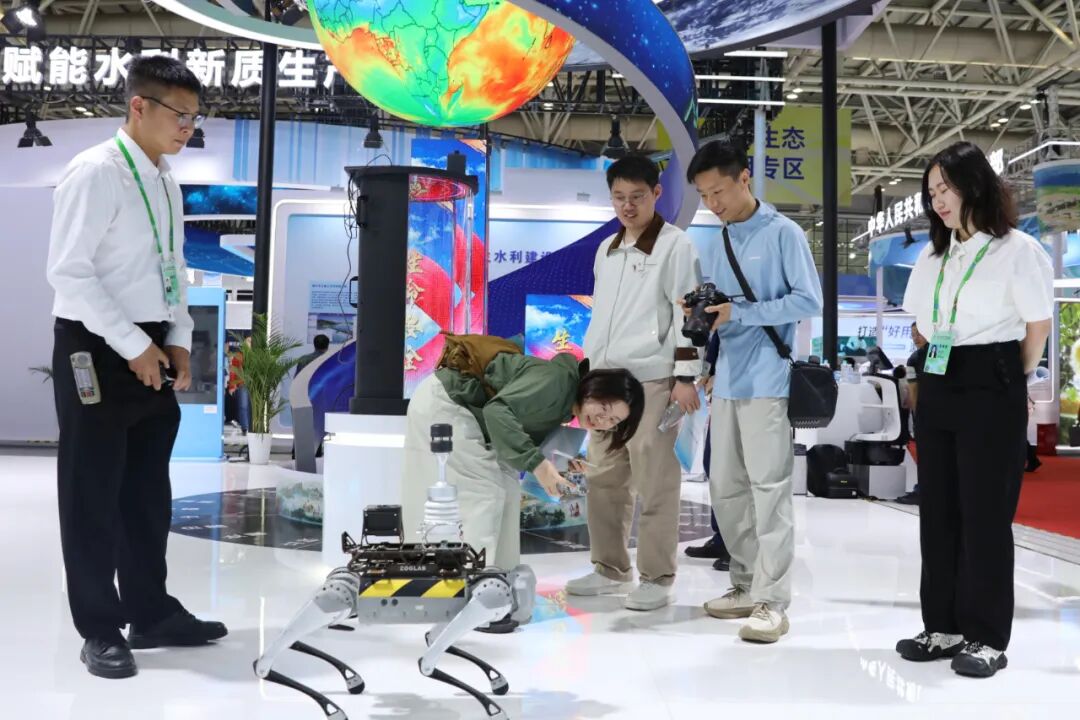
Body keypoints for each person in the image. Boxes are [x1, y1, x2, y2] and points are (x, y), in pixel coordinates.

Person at [45, 56, 227, 680]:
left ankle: (151, 612)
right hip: (94, 346)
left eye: (195, 118)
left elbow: (172, 269)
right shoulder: (95, 172)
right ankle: (99, 627)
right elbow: (69, 274)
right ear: (139, 107)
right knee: (91, 492)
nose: (188, 128)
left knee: (147, 492)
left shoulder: (166, 179)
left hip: (148, 343)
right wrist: (132, 345)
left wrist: (177, 338)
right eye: (180, 115)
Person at [897, 141, 1053, 678]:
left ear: (976, 185)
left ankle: (986, 636)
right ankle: (941, 626)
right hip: (939, 376)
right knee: (938, 510)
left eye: (947, 188)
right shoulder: (932, 255)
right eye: (931, 192)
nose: (938, 200)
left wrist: (1010, 379)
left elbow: (1037, 327)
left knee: (985, 515)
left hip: (992, 377)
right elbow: (920, 322)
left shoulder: (1017, 249)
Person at [686, 140, 823, 644]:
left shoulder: (783, 233)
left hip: (769, 379)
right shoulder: (717, 241)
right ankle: (744, 583)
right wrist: (706, 333)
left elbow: (808, 299)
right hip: (727, 381)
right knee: (724, 487)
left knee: (770, 490)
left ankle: (773, 600)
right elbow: (721, 315)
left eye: (718, 191)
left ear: (744, 178)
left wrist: (740, 312)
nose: (713, 203)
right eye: (704, 196)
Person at [564, 154, 703, 612]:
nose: (627, 206)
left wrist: (686, 376)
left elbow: (689, 317)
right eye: (619, 197)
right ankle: (610, 568)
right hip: (604, 383)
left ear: (656, 193)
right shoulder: (607, 248)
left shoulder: (675, 246)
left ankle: (658, 577)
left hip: (653, 380)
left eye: (637, 196)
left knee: (656, 481)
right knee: (604, 478)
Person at [401, 345, 645, 596]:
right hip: (451, 404)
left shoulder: (564, 400)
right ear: (594, 389)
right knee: (483, 495)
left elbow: (516, 421)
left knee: (507, 493)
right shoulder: (556, 383)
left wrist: (554, 460)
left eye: (613, 421)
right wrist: (538, 464)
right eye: (604, 408)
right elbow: (497, 410)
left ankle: (498, 586)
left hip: (463, 410)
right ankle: (466, 592)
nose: (602, 421)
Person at [683, 331, 731, 571]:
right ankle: (722, 538)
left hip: (746, 392)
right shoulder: (716, 322)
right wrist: (707, 374)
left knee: (733, 472)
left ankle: (737, 544)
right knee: (714, 465)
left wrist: (717, 374)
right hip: (720, 395)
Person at [896, 323, 928, 505]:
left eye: (919, 333)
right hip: (927, 410)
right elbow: (912, 388)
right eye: (913, 334)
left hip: (929, 410)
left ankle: (924, 490)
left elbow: (913, 388)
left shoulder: (919, 357)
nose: (916, 338)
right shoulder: (915, 358)